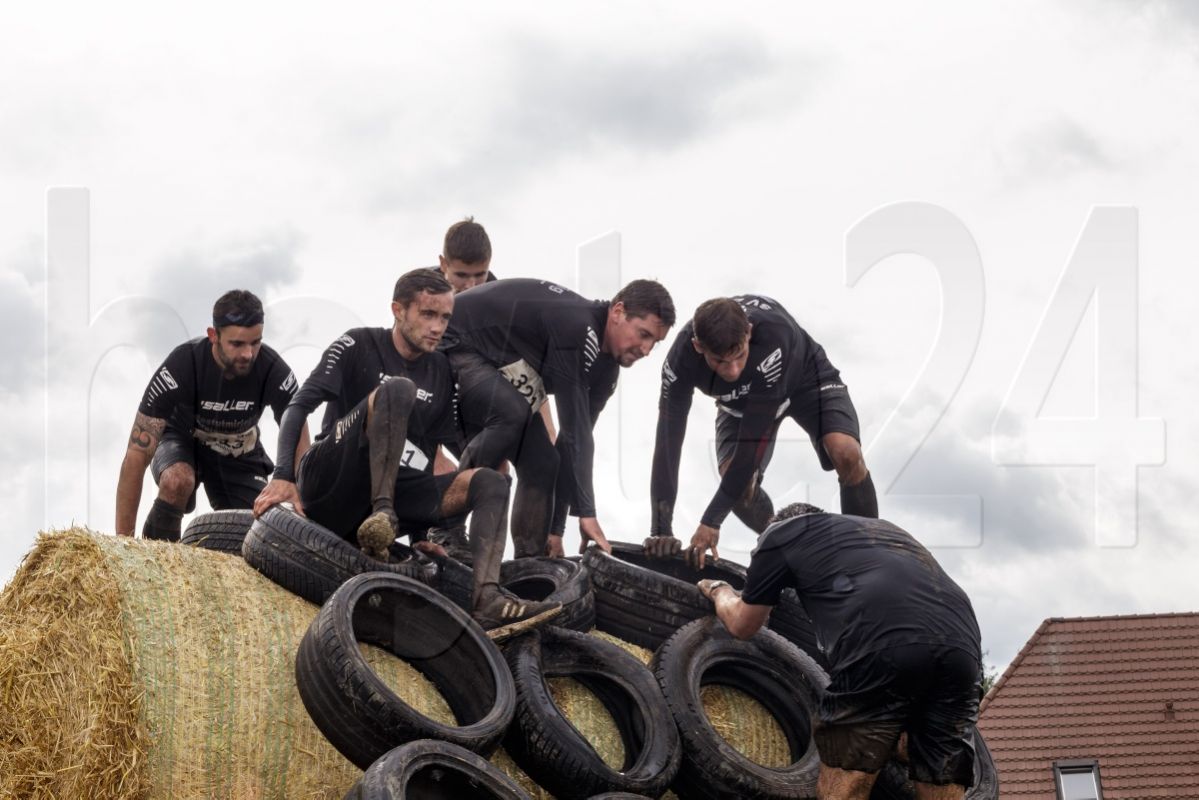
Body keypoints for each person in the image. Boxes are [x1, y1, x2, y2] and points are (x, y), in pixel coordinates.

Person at [252, 268, 561, 640]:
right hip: (330, 481)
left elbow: (434, 453)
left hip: (394, 494)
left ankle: (487, 600)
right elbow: (298, 406)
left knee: (492, 481)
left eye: (445, 317)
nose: (438, 327)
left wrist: (422, 536)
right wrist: (284, 474)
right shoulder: (358, 343)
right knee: (399, 390)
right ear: (398, 310)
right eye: (427, 315)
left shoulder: (443, 370)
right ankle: (383, 514)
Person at [698, 503, 982, 800]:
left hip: (881, 642)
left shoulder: (778, 535)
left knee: (845, 782)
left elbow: (744, 624)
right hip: (963, 649)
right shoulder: (881, 531)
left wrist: (720, 590)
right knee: (941, 777)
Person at [442, 277, 675, 558]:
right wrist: (586, 513)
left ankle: (530, 565)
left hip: (496, 362)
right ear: (618, 312)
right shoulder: (578, 327)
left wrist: (556, 530)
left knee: (544, 461)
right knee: (511, 414)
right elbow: (575, 430)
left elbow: (571, 443)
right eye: (644, 334)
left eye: (655, 343)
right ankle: (446, 530)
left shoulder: (606, 371)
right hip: (453, 343)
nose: (647, 351)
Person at [644, 295, 877, 565]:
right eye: (720, 362)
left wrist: (711, 521)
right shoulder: (680, 361)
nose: (732, 370)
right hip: (740, 401)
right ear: (698, 347)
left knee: (846, 452)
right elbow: (667, 445)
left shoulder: (774, 336)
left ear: (749, 333)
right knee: (739, 488)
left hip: (807, 380)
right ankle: (793, 552)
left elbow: (751, 446)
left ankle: (867, 556)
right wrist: (661, 529)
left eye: (740, 356)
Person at [115, 290, 308, 540]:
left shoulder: (273, 369)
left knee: (264, 524)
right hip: (183, 438)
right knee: (176, 481)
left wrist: (294, 485)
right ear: (213, 335)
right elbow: (136, 454)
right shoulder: (182, 365)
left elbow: (298, 432)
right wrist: (122, 541)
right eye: (237, 344)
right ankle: (157, 560)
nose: (248, 354)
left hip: (238, 448)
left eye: (255, 342)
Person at [431, 216, 497, 293]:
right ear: (443, 264)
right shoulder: (418, 295)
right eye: (461, 275)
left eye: (479, 275)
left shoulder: (500, 300)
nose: (471, 286)